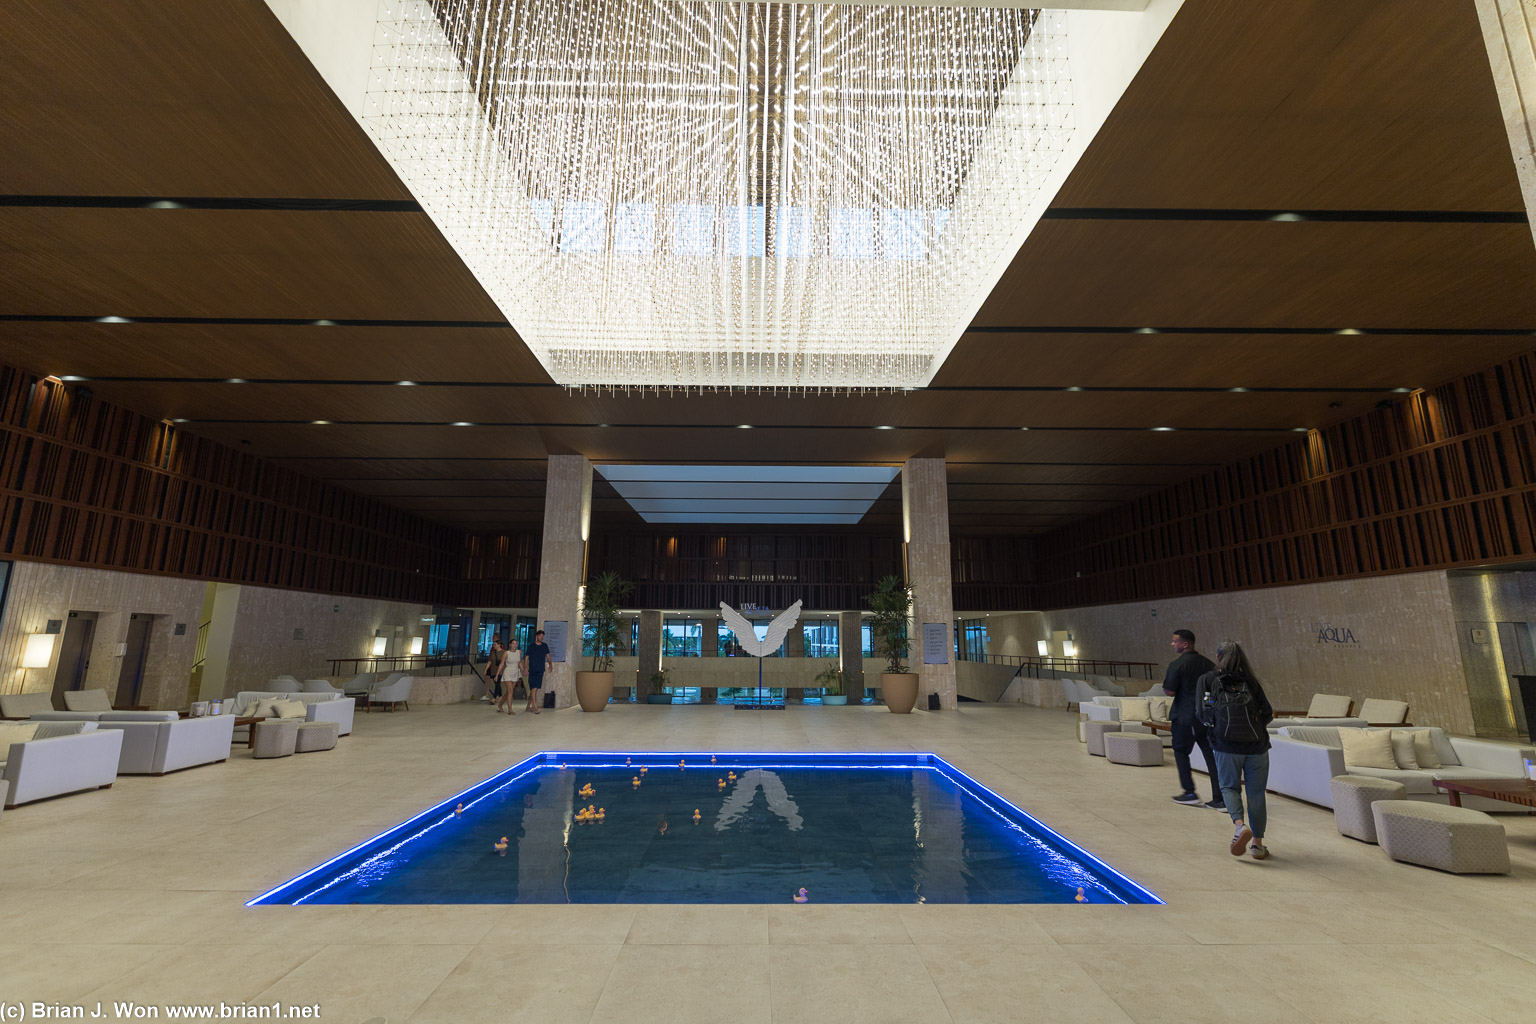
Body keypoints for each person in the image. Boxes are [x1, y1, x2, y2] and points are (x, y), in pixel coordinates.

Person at [1198, 641, 1274, 859]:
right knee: (1257, 793)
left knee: (1229, 787)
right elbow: (1267, 713)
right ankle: (1258, 845)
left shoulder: (1208, 680)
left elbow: (1203, 712)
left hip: (1225, 746)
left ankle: (1240, 826)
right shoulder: (1251, 682)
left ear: (1217, 656)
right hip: (1257, 746)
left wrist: (1218, 730)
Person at [1163, 629, 1222, 809]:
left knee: (1181, 753)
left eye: (1175, 641)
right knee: (1211, 757)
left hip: (1184, 716)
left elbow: (1170, 690)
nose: (1172, 644)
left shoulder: (1177, 665)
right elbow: (1216, 689)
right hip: (1207, 716)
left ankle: (1189, 792)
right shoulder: (1210, 664)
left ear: (1185, 644)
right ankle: (1220, 798)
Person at [523, 629, 553, 714]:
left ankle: (528, 706)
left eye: (542, 636)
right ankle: (535, 707)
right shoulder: (531, 646)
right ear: (537, 636)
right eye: (540, 636)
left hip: (540, 669)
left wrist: (550, 665)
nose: (541, 637)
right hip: (532, 669)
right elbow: (526, 658)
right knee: (534, 688)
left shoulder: (544, 646)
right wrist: (525, 668)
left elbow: (548, 656)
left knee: (535, 689)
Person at [496, 638, 522, 716]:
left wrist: (524, 670)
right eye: (513, 643)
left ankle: (500, 705)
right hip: (508, 672)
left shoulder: (519, 652)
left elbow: (520, 663)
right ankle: (510, 710)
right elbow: (501, 664)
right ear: (510, 645)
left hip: (515, 672)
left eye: (516, 644)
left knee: (508, 692)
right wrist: (497, 674)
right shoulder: (506, 653)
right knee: (510, 691)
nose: (514, 645)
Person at [483, 633, 506, 703]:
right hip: (493, 669)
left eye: (495, 644)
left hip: (500, 670)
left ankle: (494, 697)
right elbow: (489, 661)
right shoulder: (493, 652)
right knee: (496, 683)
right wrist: (486, 669)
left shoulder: (503, 652)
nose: (494, 645)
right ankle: (500, 696)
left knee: (498, 682)